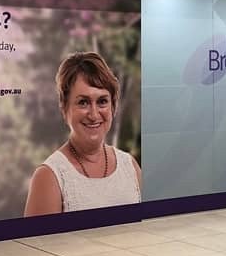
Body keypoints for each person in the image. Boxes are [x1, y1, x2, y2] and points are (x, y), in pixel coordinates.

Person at [25, 51, 142, 215]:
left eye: (102, 101)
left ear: (113, 106)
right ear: (64, 107)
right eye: (83, 102)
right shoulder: (49, 177)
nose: (94, 115)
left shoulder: (130, 167)